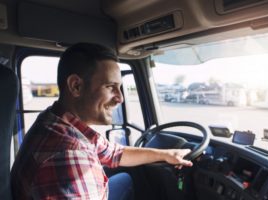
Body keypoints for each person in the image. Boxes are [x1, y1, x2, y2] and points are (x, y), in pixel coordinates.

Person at [11, 43, 193, 200]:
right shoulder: (69, 156)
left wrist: (166, 154)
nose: (120, 98)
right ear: (76, 86)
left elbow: (114, 153)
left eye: (120, 88)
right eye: (110, 87)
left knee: (125, 179)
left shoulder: (57, 119)